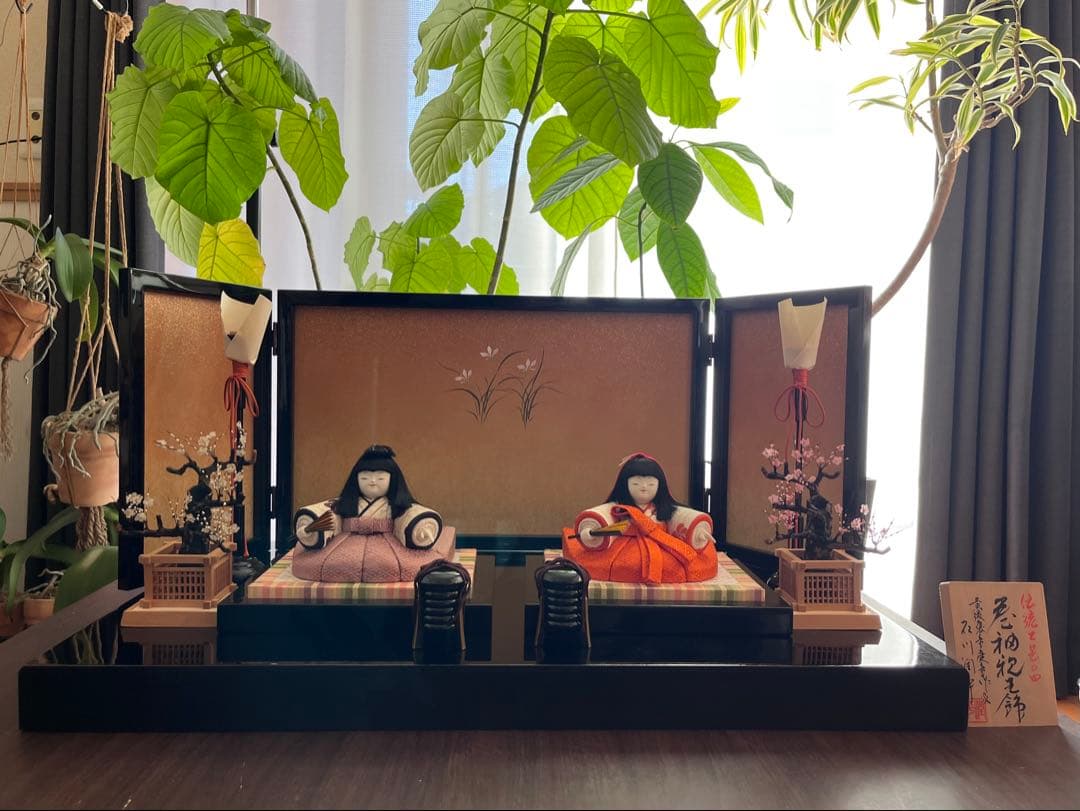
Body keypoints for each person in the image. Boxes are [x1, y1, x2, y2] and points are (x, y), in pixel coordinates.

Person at [291, 445, 452, 583]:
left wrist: (420, 529)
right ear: (356, 479)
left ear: (393, 479)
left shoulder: (398, 505)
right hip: (348, 540)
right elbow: (329, 513)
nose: (372, 482)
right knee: (334, 564)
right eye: (365, 478)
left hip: (388, 541)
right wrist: (311, 527)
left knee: (391, 564)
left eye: (380, 478)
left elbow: (412, 513)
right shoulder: (346, 503)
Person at [565, 452, 717, 584]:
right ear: (625, 485)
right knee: (619, 567)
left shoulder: (663, 508)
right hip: (624, 544)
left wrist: (698, 531)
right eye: (636, 483)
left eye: (651, 484)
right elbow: (603, 513)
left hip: (661, 542)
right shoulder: (619, 508)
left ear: (660, 486)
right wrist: (591, 529)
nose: (644, 487)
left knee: (677, 566)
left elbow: (682, 516)